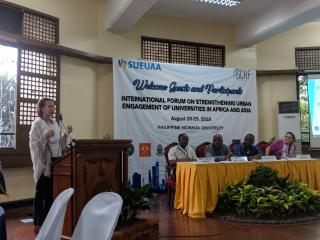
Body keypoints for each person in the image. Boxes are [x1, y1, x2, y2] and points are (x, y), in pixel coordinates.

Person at [29, 97, 72, 233]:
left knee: (50, 194)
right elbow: (33, 144)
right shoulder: (37, 123)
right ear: (41, 108)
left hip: (56, 161)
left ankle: (48, 220)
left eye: (53, 106)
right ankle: (37, 223)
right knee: (40, 194)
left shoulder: (54, 122)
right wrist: (44, 137)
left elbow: (58, 143)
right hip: (44, 164)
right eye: (49, 106)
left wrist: (65, 136)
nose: (53, 109)